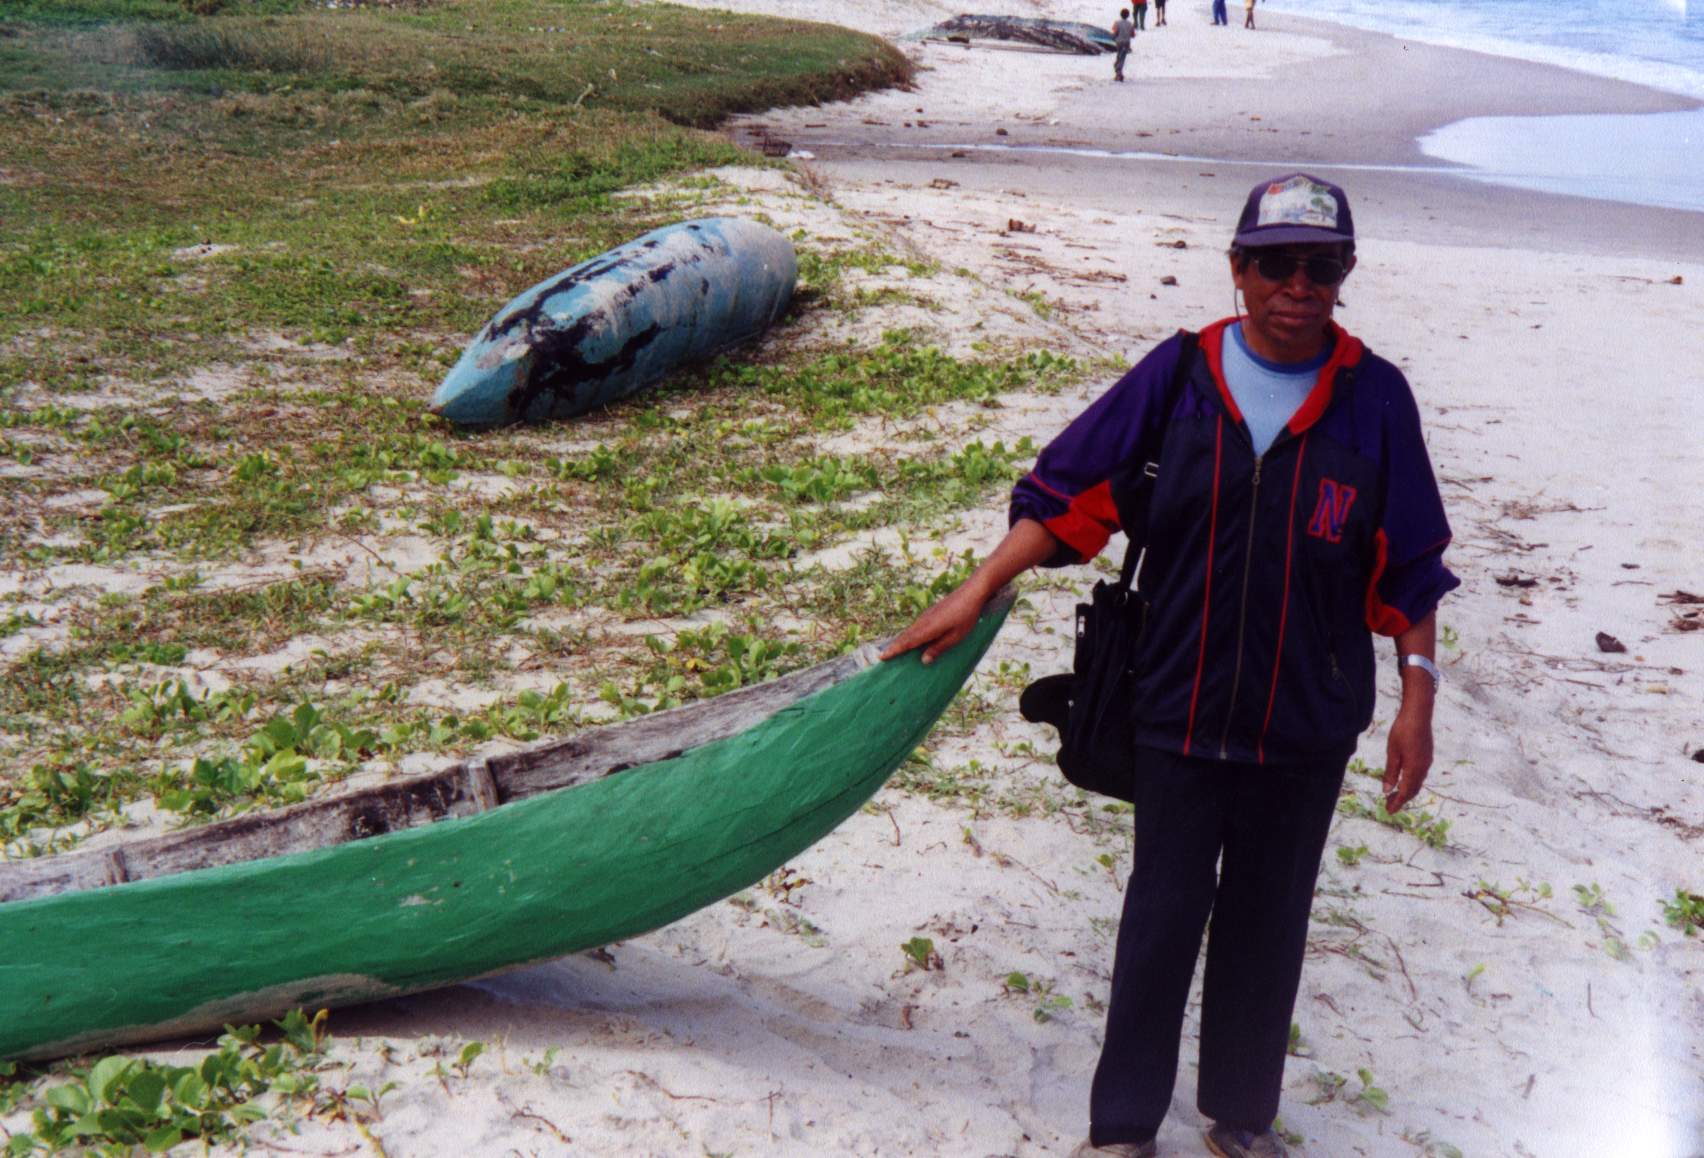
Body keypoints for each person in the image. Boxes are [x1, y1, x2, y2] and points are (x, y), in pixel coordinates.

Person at [881, 173, 1457, 1158]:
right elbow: (1067, 494)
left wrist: (1418, 702)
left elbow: (1410, 566)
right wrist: (977, 589)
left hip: (1306, 722)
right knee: (1160, 917)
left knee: (1269, 922)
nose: (1298, 286)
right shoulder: (1180, 375)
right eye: (1276, 263)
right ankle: (1121, 1128)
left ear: (1346, 273)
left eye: (1321, 266)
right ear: (1238, 268)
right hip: (1175, 706)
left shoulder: (1376, 399)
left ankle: (1241, 1119)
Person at [1111, 8, 1135, 81]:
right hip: (1126, 42)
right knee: (1122, 57)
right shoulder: (1130, 24)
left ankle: (1118, 71)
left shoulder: (1117, 23)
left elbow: (1115, 32)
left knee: (1119, 56)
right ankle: (1119, 71)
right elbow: (1133, 35)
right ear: (1128, 15)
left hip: (1119, 42)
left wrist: (1113, 38)